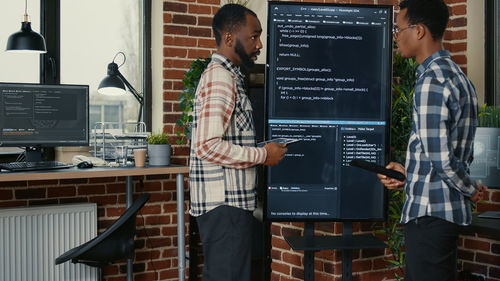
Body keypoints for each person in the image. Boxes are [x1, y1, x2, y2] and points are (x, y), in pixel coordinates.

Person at [377, 0, 487, 280]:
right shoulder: (459, 78)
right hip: (441, 217)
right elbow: (440, 153)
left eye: (399, 29)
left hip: (429, 220)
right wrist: (408, 175)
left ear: (420, 31)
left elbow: (441, 158)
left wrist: (470, 187)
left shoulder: (431, 81)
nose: (396, 37)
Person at [188, 4, 287, 281]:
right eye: (253, 36)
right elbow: (206, 145)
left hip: (228, 205)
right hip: (225, 207)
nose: (259, 44)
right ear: (230, 38)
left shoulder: (229, 76)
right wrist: (262, 155)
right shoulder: (221, 78)